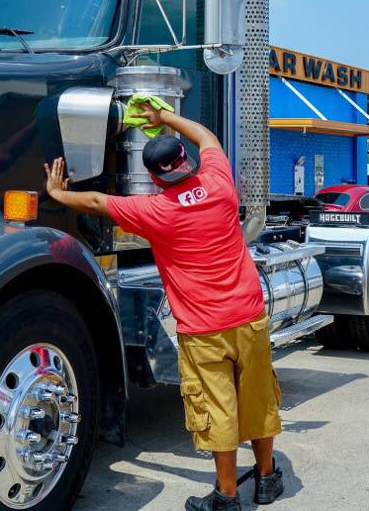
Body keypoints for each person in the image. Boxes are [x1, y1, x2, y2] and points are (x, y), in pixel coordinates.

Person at [44, 102, 284, 511]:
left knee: (218, 409)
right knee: (258, 400)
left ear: (154, 178)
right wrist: (166, 118)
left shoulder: (156, 211)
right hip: (249, 316)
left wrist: (57, 193)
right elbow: (207, 137)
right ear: (186, 162)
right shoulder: (220, 182)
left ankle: (227, 497)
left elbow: (99, 203)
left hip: (204, 330)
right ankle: (266, 479)